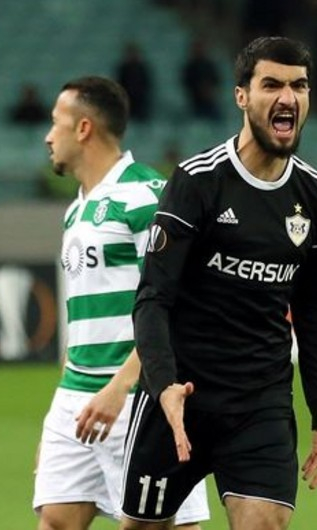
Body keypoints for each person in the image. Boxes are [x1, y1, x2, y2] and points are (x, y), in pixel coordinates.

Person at [120, 37, 317, 530]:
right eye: (272, 85)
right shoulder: (197, 181)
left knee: (266, 523)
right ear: (242, 96)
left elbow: (315, 308)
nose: (288, 97)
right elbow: (153, 297)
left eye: (299, 86)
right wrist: (162, 385)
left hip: (260, 405)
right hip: (181, 396)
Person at [34, 76, 209, 530]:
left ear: (84, 128)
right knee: (55, 519)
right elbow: (83, 321)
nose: (48, 136)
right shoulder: (76, 209)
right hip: (77, 397)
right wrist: (61, 405)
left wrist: (121, 387)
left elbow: (179, 303)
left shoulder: (147, 197)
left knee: (165, 527)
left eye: (55, 123)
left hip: (139, 398)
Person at [181, 39, 221, 121]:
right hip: (195, 101)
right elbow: (186, 82)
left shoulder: (209, 66)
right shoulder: (190, 67)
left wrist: (208, 88)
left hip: (209, 103)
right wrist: (198, 88)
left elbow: (216, 80)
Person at [116, 42, 154, 122]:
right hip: (127, 100)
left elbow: (147, 85)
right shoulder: (123, 69)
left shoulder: (143, 69)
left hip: (140, 102)